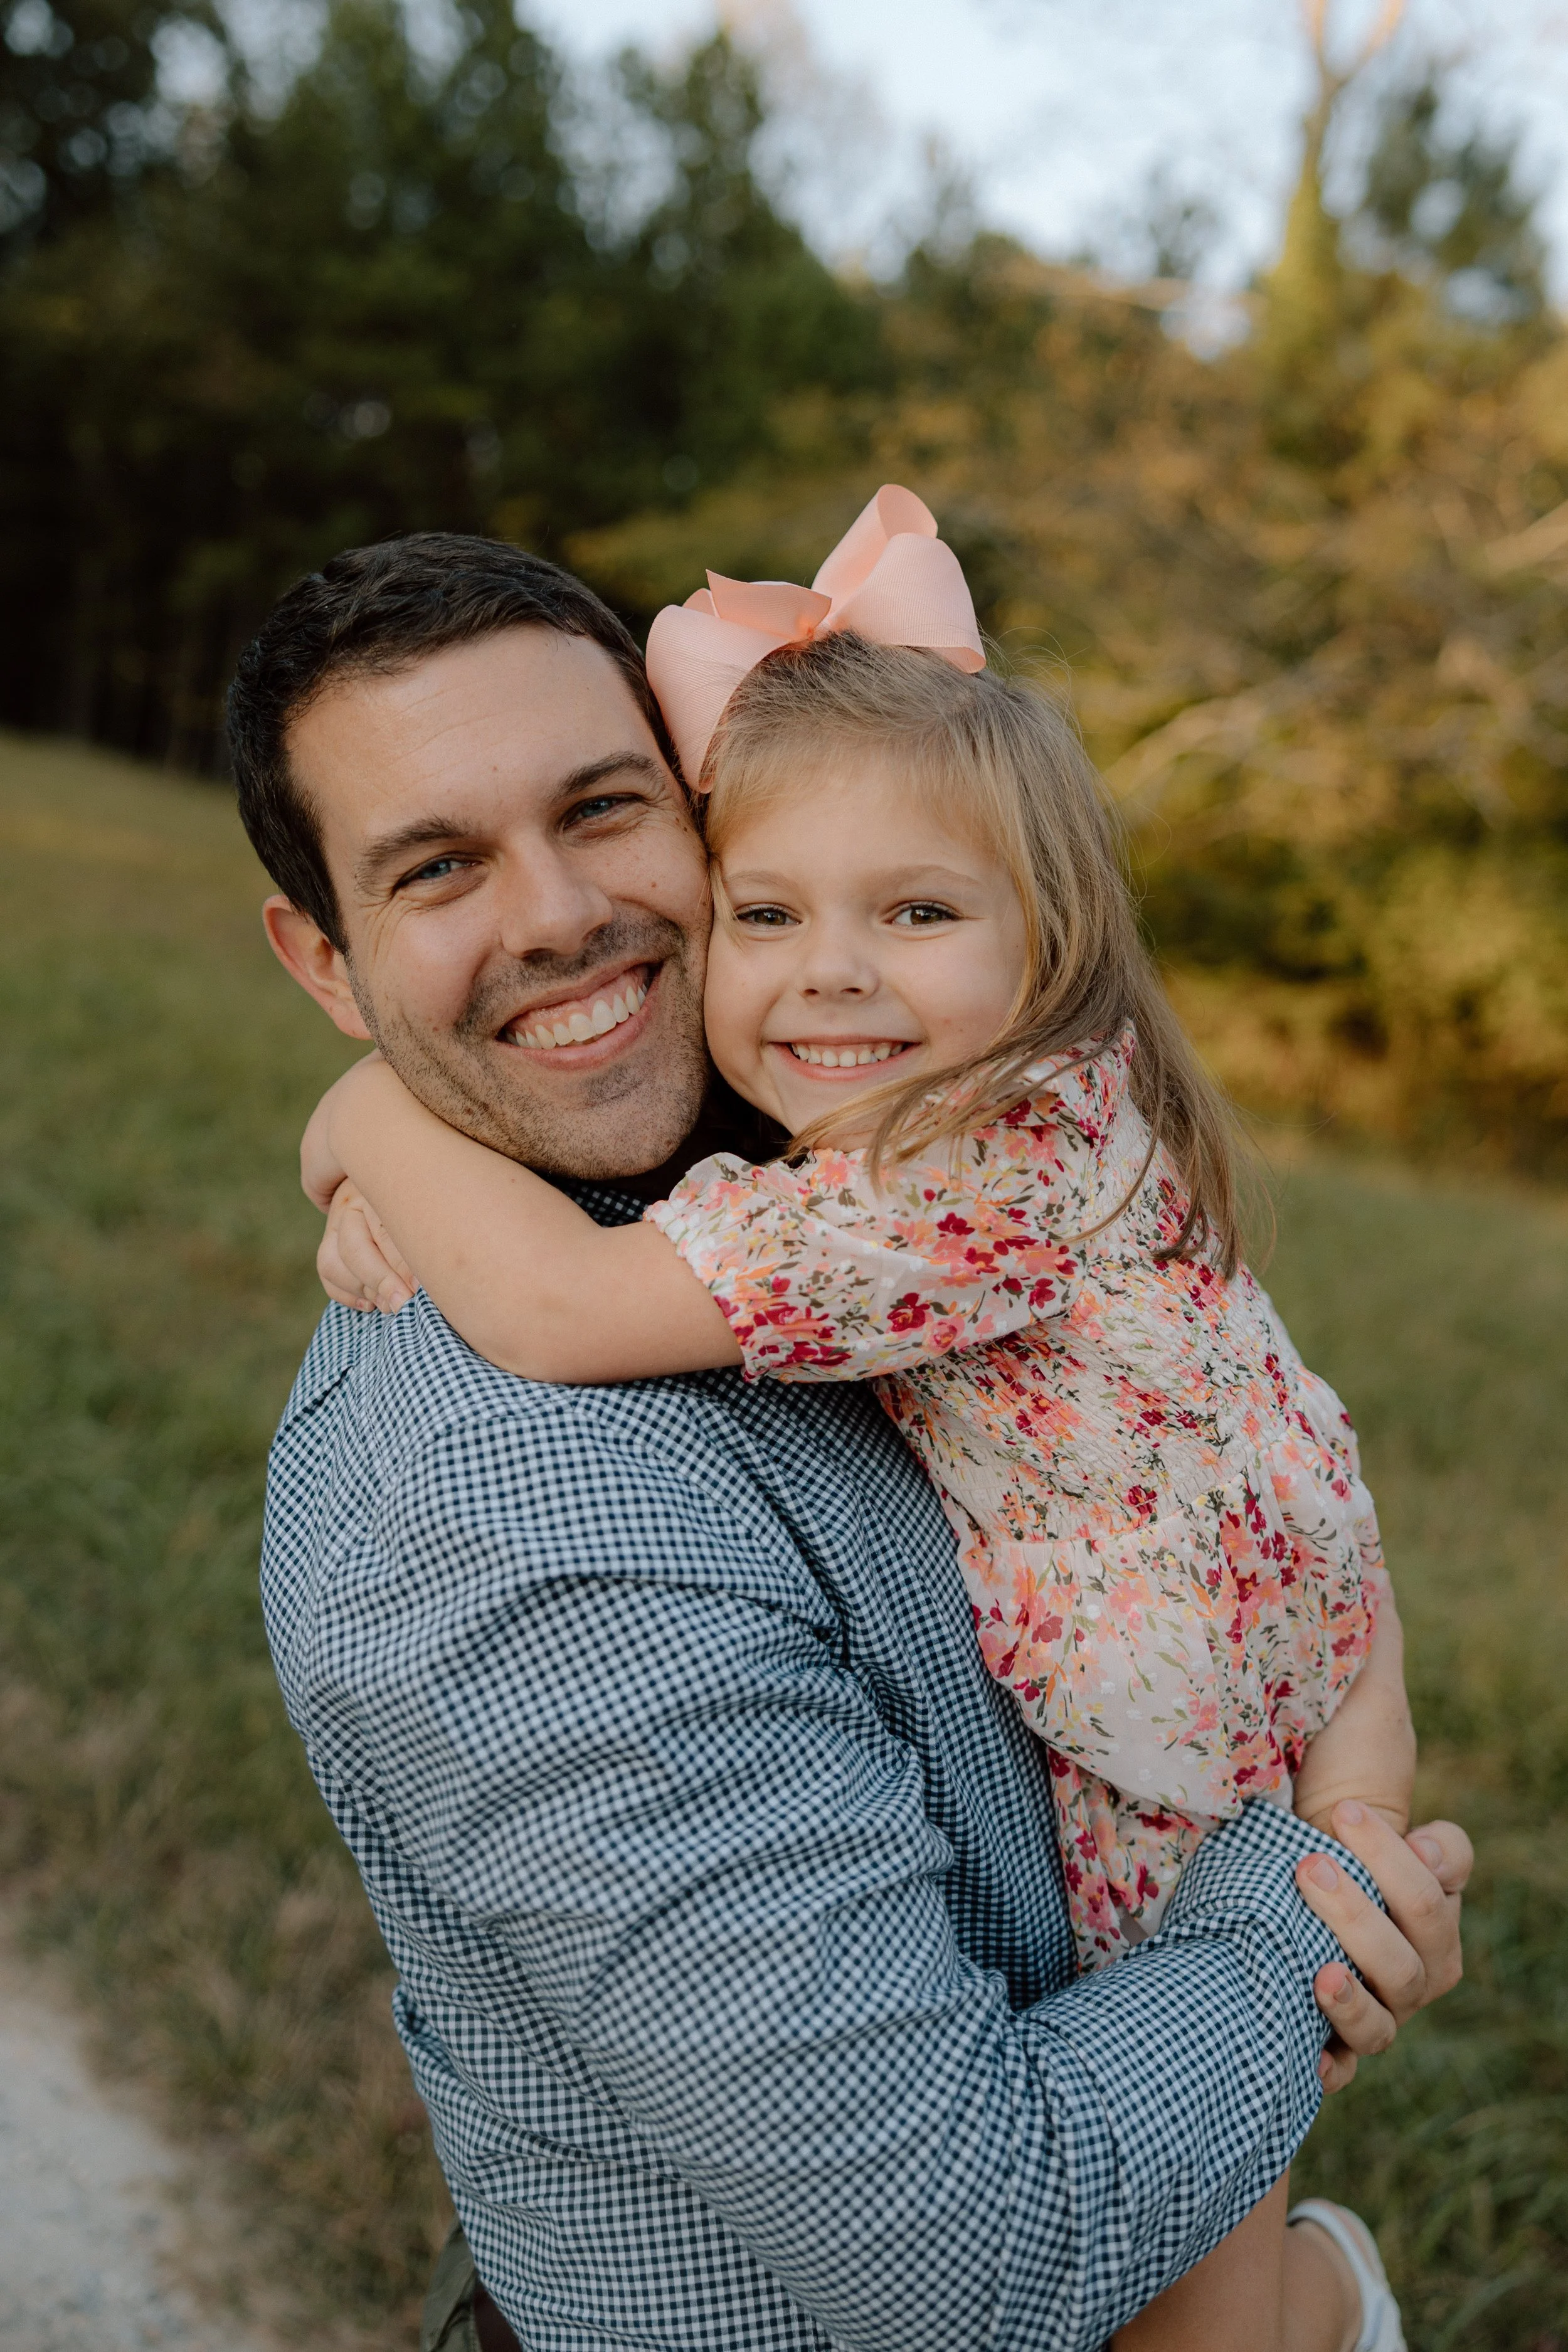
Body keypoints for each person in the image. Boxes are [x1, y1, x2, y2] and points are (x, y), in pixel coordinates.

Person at [231, 527, 1469, 2352]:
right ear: (325, 959)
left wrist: (382, 1121)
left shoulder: (844, 1161)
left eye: (605, 806)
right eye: (437, 869)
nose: (566, 913)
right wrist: (1318, 1921)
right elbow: (976, 2264)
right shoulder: (514, 1508)